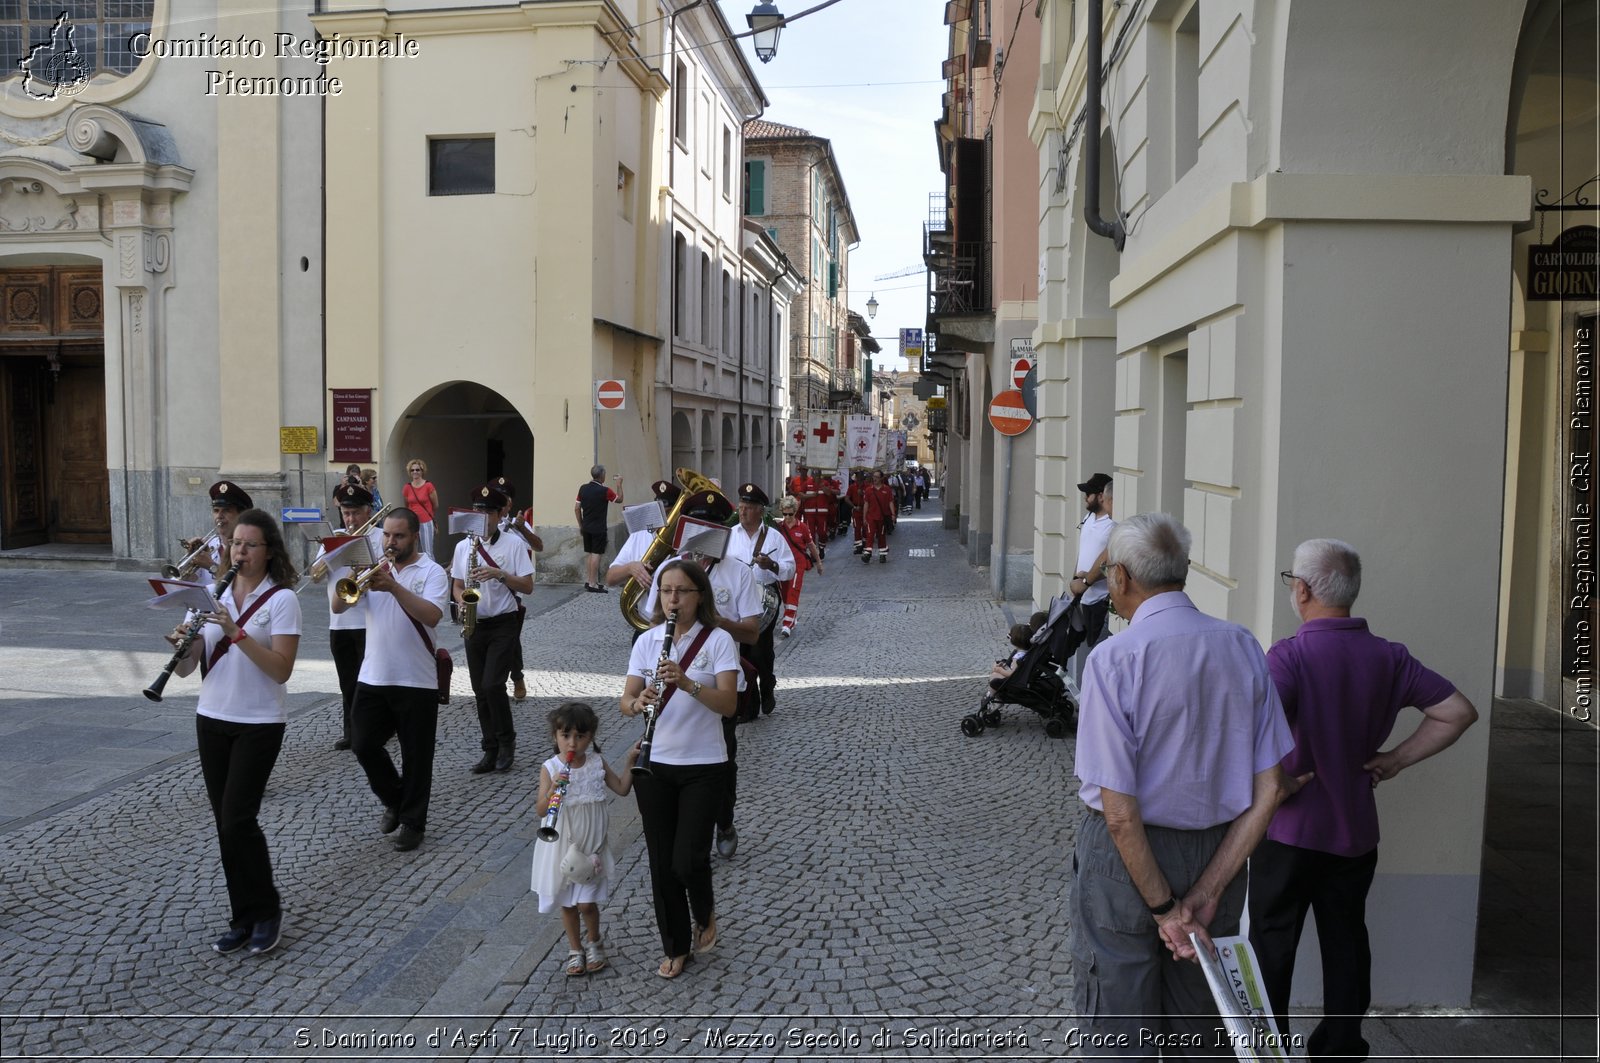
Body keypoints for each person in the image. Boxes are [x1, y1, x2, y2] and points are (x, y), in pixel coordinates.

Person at [1070, 513, 1299, 1053]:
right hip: (1218, 851)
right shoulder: (1242, 646)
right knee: (1199, 1021)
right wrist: (1205, 892)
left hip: (1125, 864)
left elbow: (1120, 813)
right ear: (1186, 570)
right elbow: (1271, 790)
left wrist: (1165, 911)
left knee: (1120, 1022)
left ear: (1120, 577)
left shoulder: (1113, 660)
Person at [1249, 539, 1479, 1060]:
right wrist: (1394, 758)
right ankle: (1342, 1046)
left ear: (1302, 590)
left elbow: (1249, 728)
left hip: (1288, 831)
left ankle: (1268, 1050)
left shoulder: (1290, 655)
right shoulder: (1389, 657)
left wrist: (1270, 781)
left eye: (1291, 580)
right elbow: (1458, 712)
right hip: (1354, 831)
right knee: (1348, 940)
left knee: (1272, 943)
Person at [167, 508, 301, 956]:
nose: (238, 551)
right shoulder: (208, 593)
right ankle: (242, 916)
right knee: (225, 825)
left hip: (260, 721)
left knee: (239, 818)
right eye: (235, 544)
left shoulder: (282, 600)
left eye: (249, 545)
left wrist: (236, 631)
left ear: (268, 552)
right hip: (213, 716)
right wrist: (181, 646)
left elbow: (280, 670)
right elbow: (188, 670)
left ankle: (267, 911)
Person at [621, 559, 741, 979]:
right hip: (655, 764)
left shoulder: (720, 640)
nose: (672, 599)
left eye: (682, 591)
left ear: (699, 595)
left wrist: (687, 682)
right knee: (660, 862)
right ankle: (676, 946)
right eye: (666, 591)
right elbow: (626, 700)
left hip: (705, 764)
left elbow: (729, 705)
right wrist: (639, 703)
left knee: (687, 860)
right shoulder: (647, 641)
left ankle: (704, 912)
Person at [341, 507, 450, 853]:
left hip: (416, 679)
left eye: (398, 536)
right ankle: (395, 798)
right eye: (387, 535)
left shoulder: (431, 572)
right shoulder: (373, 570)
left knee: (417, 756)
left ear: (414, 536)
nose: (391, 542)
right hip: (373, 675)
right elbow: (338, 606)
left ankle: (413, 822)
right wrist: (352, 574)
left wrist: (394, 587)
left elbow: (432, 615)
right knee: (362, 743)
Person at [530, 701, 637, 976]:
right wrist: (554, 789)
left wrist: (630, 762)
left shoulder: (596, 763)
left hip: (590, 846)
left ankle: (594, 941)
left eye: (580, 736)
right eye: (565, 736)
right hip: (561, 845)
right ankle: (575, 950)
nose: (572, 743)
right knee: (567, 903)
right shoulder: (551, 767)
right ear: (555, 736)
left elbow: (622, 789)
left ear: (591, 737)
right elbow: (541, 810)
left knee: (586, 904)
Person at [451, 483, 536, 774]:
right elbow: (458, 585)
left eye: (488, 512)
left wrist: (500, 574)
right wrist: (461, 601)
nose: (482, 517)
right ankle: (489, 748)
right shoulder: (463, 546)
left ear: (499, 515)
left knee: (492, 684)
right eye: (478, 511)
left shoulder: (513, 544)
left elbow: (528, 586)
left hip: (503, 622)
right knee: (479, 690)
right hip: (474, 623)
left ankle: (506, 742)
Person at [311, 483, 384, 750]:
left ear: (368, 511)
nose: (350, 519)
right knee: (347, 680)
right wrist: (334, 553)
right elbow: (316, 575)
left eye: (355, 513)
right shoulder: (335, 538)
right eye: (346, 513)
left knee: (371, 679)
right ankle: (351, 731)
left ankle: (374, 730)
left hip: (369, 620)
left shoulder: (379, 537)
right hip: (339, 621)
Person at [724, 483, 793, 715]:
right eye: (741, 506)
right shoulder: (729, 536)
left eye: (748, 507)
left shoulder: (774, 537)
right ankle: (750, 705)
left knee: (759, 650)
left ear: (760, 511)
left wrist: (772, 564)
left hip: (766, 599)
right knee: (742, 651)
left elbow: (790, 568)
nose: (742, 511)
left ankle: (767, 684)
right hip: (736, 599)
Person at [1063, 473, 1117, 678]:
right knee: (1080, 643)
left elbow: (1112, 560)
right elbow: (1084, 550)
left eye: (1089, 493)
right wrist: (1075, 579)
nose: (1085, 498)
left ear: (1101, 495)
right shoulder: (1089, 517)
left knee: (1098, 649)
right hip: (1083, 596)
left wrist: (1087, 581)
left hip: (1101, 598)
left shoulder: (1113, 524)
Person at [492, 476, 541, 702]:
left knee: (510, 639)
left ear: (510, 504)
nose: (501, 502)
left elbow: (538, 545)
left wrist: (523, 529)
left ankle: (516, 677)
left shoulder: (517, 524)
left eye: (505, 499)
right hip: (485, 590)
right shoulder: (483, 522)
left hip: (513, 591)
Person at [774, 495, 821, 638]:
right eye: (784, 514)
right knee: (785, 594)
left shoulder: (803, 527)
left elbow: (811, 545)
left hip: (798, 564)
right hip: (782, 565)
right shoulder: (778, 527)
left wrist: (818, 562)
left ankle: (787, 624)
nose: (787, 517)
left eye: (790, 514)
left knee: (793, 592)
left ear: (795, 512)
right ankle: (792, 618)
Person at [186, 480, 253, 579]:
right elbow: (185, 583)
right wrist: (189, 559)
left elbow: (245, 584)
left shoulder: (251, 548)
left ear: (241, 515)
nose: (219, 516)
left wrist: (211, 566)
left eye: (226, 511)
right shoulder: (207, 546)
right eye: (216, 511)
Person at [575, 464, 625, 592]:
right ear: (602, 475)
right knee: (596, 554)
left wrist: (581, 525)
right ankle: (593, 584)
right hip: (598, 528)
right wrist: (619, 484)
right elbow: (619, 500)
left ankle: (589, 581)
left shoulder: (583, 488)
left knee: (590, 554)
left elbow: (576, 508)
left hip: (586, 527)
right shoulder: (605, 491)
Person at [402, 459, 440, 560]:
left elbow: (435, 505)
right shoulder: (407, 487)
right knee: (413, 551)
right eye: (412, 470)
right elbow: (407, 505)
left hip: (426, 522)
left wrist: (427, 514)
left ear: (422, 471)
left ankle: (432, 574)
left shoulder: (428, 485)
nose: (415, 472)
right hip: (413, 523)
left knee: (428, 552)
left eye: (417, 470)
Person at [861, 470, 896, 563]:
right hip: (871, 517)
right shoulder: (869, 490)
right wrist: (864, 517)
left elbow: (890, 502)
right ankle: (867, 554)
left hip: (882, 518)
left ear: (881, 478)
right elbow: (866, 504)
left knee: (881, 536)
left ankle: (882, 555)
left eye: (877, 477)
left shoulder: (887, 489)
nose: (874, 478)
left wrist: (893, 514)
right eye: (874, 476)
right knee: (870, 535)